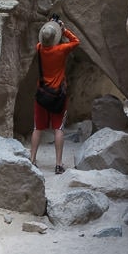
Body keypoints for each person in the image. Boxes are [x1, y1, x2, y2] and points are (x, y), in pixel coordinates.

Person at [30, 17, 80, 174]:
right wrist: (63, 30)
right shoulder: (61, 50)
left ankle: (32, 160)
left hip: (42, 96)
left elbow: (45, 40)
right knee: (58, 129)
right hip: (58, 96)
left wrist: (50, 27)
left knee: (38, 128)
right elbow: (76, 41)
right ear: (56, 38)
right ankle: (58, 165)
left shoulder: (39, 48)